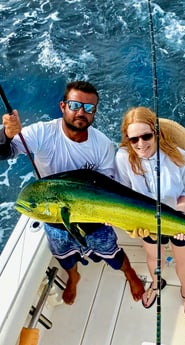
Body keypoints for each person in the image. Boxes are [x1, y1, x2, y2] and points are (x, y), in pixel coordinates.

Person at [0, 81, 144, 305]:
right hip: (54, 216)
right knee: (64, 254)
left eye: (89, 108)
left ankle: (129, 273)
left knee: (111, 250)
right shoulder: (41, 132)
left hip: (92, 217)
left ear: (94, 112)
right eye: (75, 105)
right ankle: (73, 276)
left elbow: (106, 187)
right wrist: (6, 134)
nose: (81, 112)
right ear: (62, 106)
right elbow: (6, 151)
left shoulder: (103, 145)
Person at [115, 106, 185, 319]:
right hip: (146, 221)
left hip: (181, 216)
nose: (140, 144)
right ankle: (156, 283)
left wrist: (179, 218)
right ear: (127, 139)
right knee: (153, 256)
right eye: (133, 139)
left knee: (183, 260)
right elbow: (123, 193)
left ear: (156, 132)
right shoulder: (123, 158)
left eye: (146, 136)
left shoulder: (180, 158)